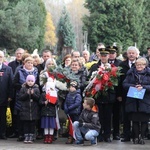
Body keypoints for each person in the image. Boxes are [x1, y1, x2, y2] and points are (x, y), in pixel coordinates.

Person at [123, 57, 150, 145]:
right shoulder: (130, 73)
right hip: (133, 99)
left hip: (145, 100)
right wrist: (134, 86)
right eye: (137, 64)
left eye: (141, 64)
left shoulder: (149, 74)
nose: (139, 66)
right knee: (134, 119)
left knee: (144, 120)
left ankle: (142, 137)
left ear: (145, 65)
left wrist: (144, 87)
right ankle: (135, 137)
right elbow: (124, 84)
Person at [13, 56, 39, 141]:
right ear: (25, 63)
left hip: (33, 101)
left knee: (31, 119)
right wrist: (22, 87)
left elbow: (38, 83)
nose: (30, 64)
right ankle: (22, 134)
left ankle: (31, 135)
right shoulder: (19, 71)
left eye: (31, 63)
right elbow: (14, 83)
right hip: (22, 96)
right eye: (28, 62)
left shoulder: (36, 71)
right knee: (22, 117)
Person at [118, 46, 139, 142]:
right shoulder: (122, 64)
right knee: (126, 115)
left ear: (136, 54)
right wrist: (119, 94)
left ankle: (136, 135)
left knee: (135, 114)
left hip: (137, 93)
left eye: (133, 53)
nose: (131, 54)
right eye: (129, 53)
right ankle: (126, 135)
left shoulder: (141, 64)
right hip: (125, 93)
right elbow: (118, 81)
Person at [19, 75, 40, 143]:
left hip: (33, 110)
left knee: (32, 124)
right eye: (29, 81)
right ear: (26, 81)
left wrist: (33, 94)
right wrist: (26, 94)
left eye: (32, 81)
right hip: (25, 110)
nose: (30, 82)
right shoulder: (23, 89)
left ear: (34, 82)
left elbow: (38, 99)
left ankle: (31, 136)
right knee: (26, 124)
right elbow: (20, 98)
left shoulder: (36, 89)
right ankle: (26, 136)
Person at [107, 46, 122, 140]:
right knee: (107, 115)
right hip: (106, 93)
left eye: (113, 53)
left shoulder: (120, 64)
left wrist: (120, 94)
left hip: (117, 93)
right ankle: (107, 132)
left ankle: (116, 132)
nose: (111, 55)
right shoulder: (103, 64)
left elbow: (121, 80)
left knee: (117, 115)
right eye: (110, 53)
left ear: (116, 54)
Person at [0, 51, 13, 140]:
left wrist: (10, 96)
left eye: (0, 56)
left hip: (3, 97)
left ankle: (2, 133)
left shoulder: (8, 69)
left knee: (2, 117)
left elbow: (11, 83)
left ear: (3, 58)